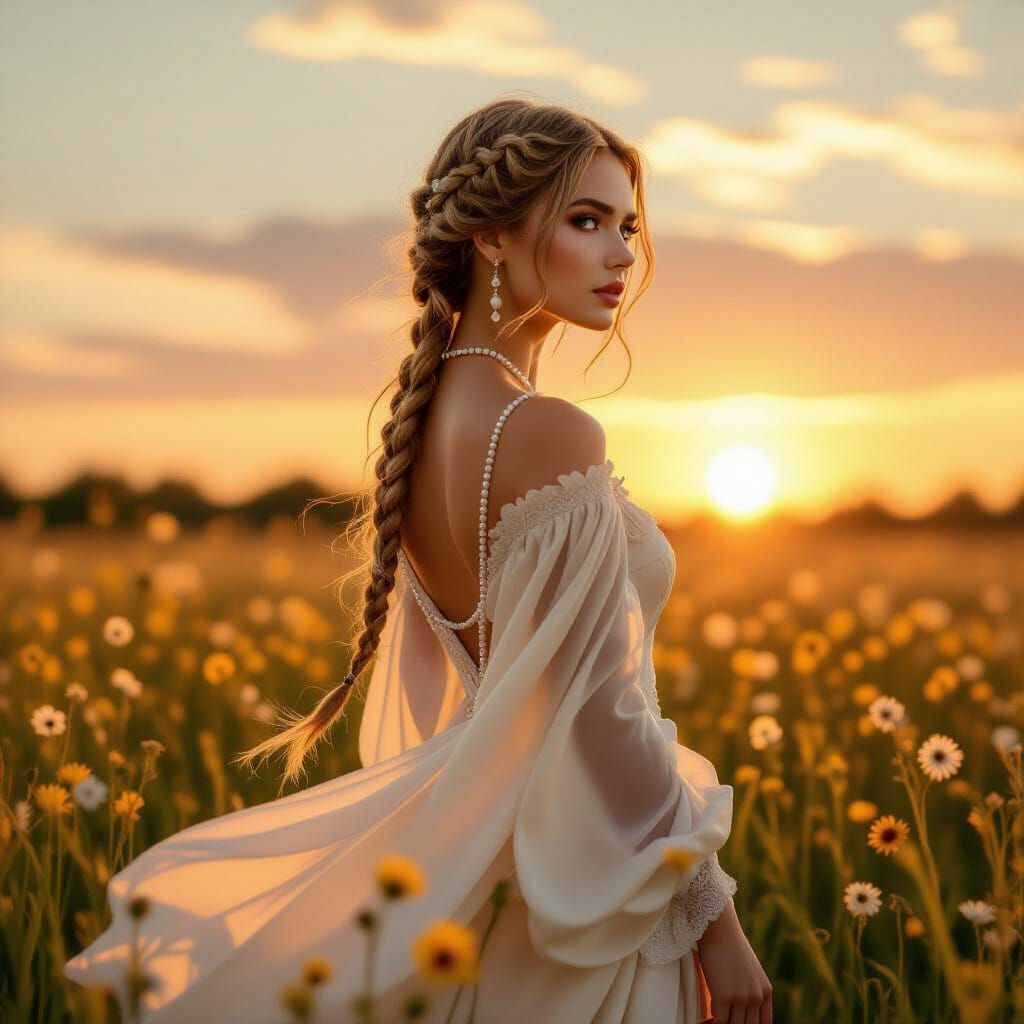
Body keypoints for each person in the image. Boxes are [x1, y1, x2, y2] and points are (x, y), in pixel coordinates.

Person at [64, 96, 772, 1023]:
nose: (621, 256)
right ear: (488, 238)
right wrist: (712, 918)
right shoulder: (547, 430)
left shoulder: (434, 422)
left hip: (505, 875)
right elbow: (601, 709)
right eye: (586, 221)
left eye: (628, 227)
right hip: (591, 898)